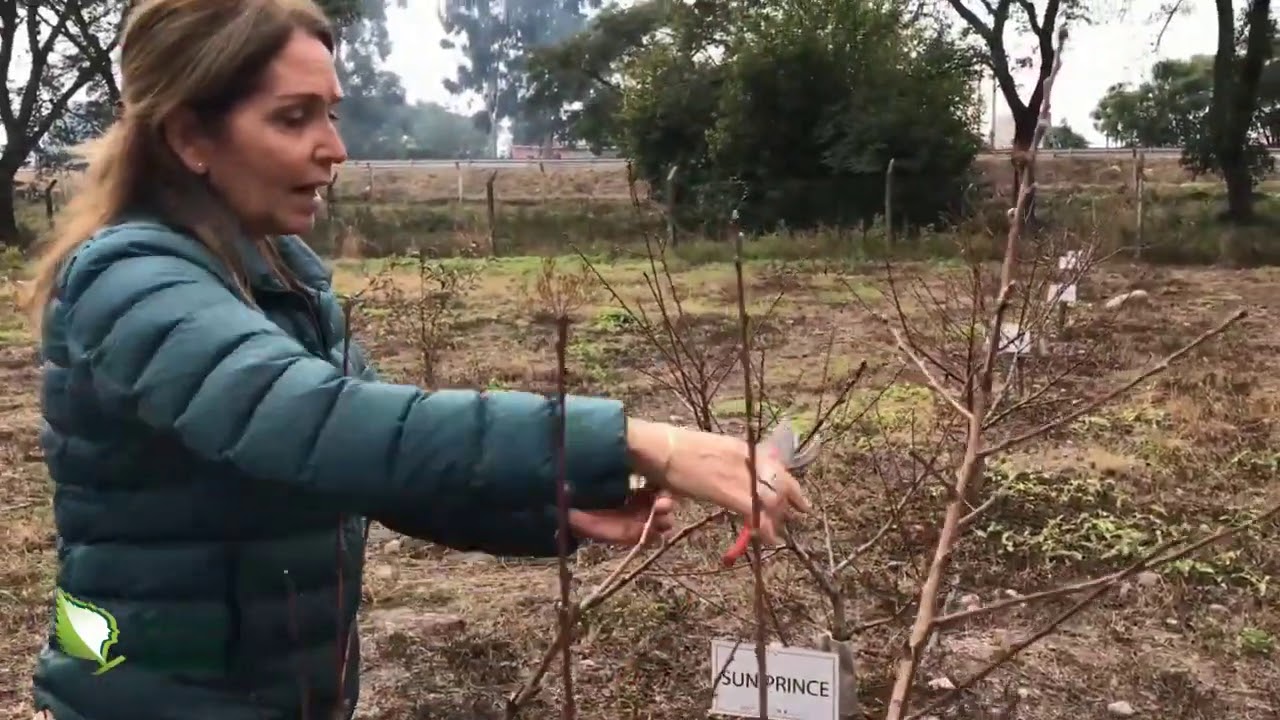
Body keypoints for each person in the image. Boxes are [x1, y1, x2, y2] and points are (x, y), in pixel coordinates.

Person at [20, 1, 809, 719]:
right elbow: (319, 424)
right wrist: (641, 441)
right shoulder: (129, 278)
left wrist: (561, 506)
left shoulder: (277, 281)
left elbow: (379, 468)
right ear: (190, 136)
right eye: (294, 118)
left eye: (330, 114)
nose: (335, 148)